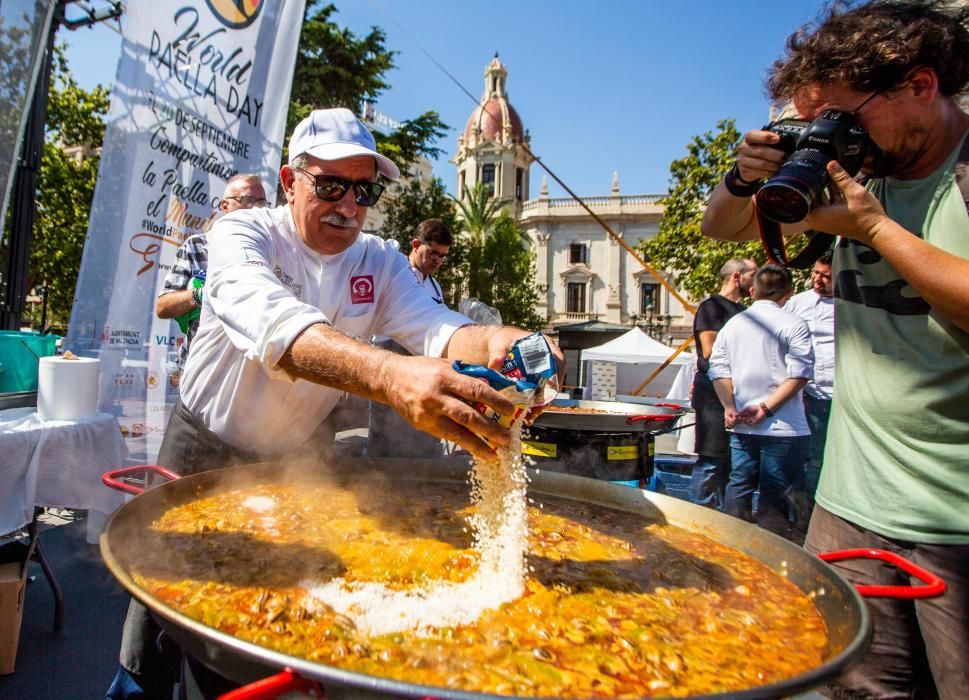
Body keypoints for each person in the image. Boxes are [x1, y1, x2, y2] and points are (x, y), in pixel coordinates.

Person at [110, 107, 565, 699]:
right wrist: (389, 376)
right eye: (329, 185)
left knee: (284, 613)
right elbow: (274, 326)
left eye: (362, 190)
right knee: (158, 619)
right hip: (204, 447)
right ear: (288, 182)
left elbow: (439, 329)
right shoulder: (241, 233)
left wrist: (509, 344)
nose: (348, 206)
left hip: (299, 460)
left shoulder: (377, 260)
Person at [699, 2, 969, 696]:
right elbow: (719, 228)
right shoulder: (858, 170)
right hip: (849, 509)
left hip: (955, 527)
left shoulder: (931, 185)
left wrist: (874, 230)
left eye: (847, 118)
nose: (834, 138)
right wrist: (744, 175)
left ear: (919, 86)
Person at [708, 265, 813, 538]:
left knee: (739, 484)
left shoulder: (732, 326)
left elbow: (718, 369)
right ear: (789, 293)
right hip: (783, 426)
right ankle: (771, 549)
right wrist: (766, 409)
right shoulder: (795, 324)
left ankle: (729, 543)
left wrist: (729, 407)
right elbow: (800, 375)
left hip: (741, 424)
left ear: (752, 291)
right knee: (775, 490)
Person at [155, 173, 269, 367]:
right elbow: (163, 307)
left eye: (261, 203)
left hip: (247, 374)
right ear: (225, 206)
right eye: (247, 200)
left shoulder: (270, 250)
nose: (255, 209)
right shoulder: (197, 246)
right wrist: (202, 294)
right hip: (199, 370)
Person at [366, 218, 453, 457]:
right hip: (390, 366)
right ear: (416, 244)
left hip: (422, 372)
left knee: (420, 443)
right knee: (383, 445)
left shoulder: (435, 287)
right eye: (433, 253)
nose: (438, 260)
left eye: (443, 256)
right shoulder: (396, 275)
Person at [688, 258, 757, 509]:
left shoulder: (746, 312)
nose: (757, 280)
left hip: (738, 394)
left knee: (731, 462)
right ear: (737, 277)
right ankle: (697, 515)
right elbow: (709, 351)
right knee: (712, 459)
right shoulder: (711, 308)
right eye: (754, 274)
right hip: (712, 395)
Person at [783, 249, 834, 517]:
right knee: (805, 458)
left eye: (826, 276)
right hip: (804, 393)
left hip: (838, 393)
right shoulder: (797, 303)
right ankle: (803, 515)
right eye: (815, 273)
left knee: (826, 459)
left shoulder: (851, 305)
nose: (817, 279)